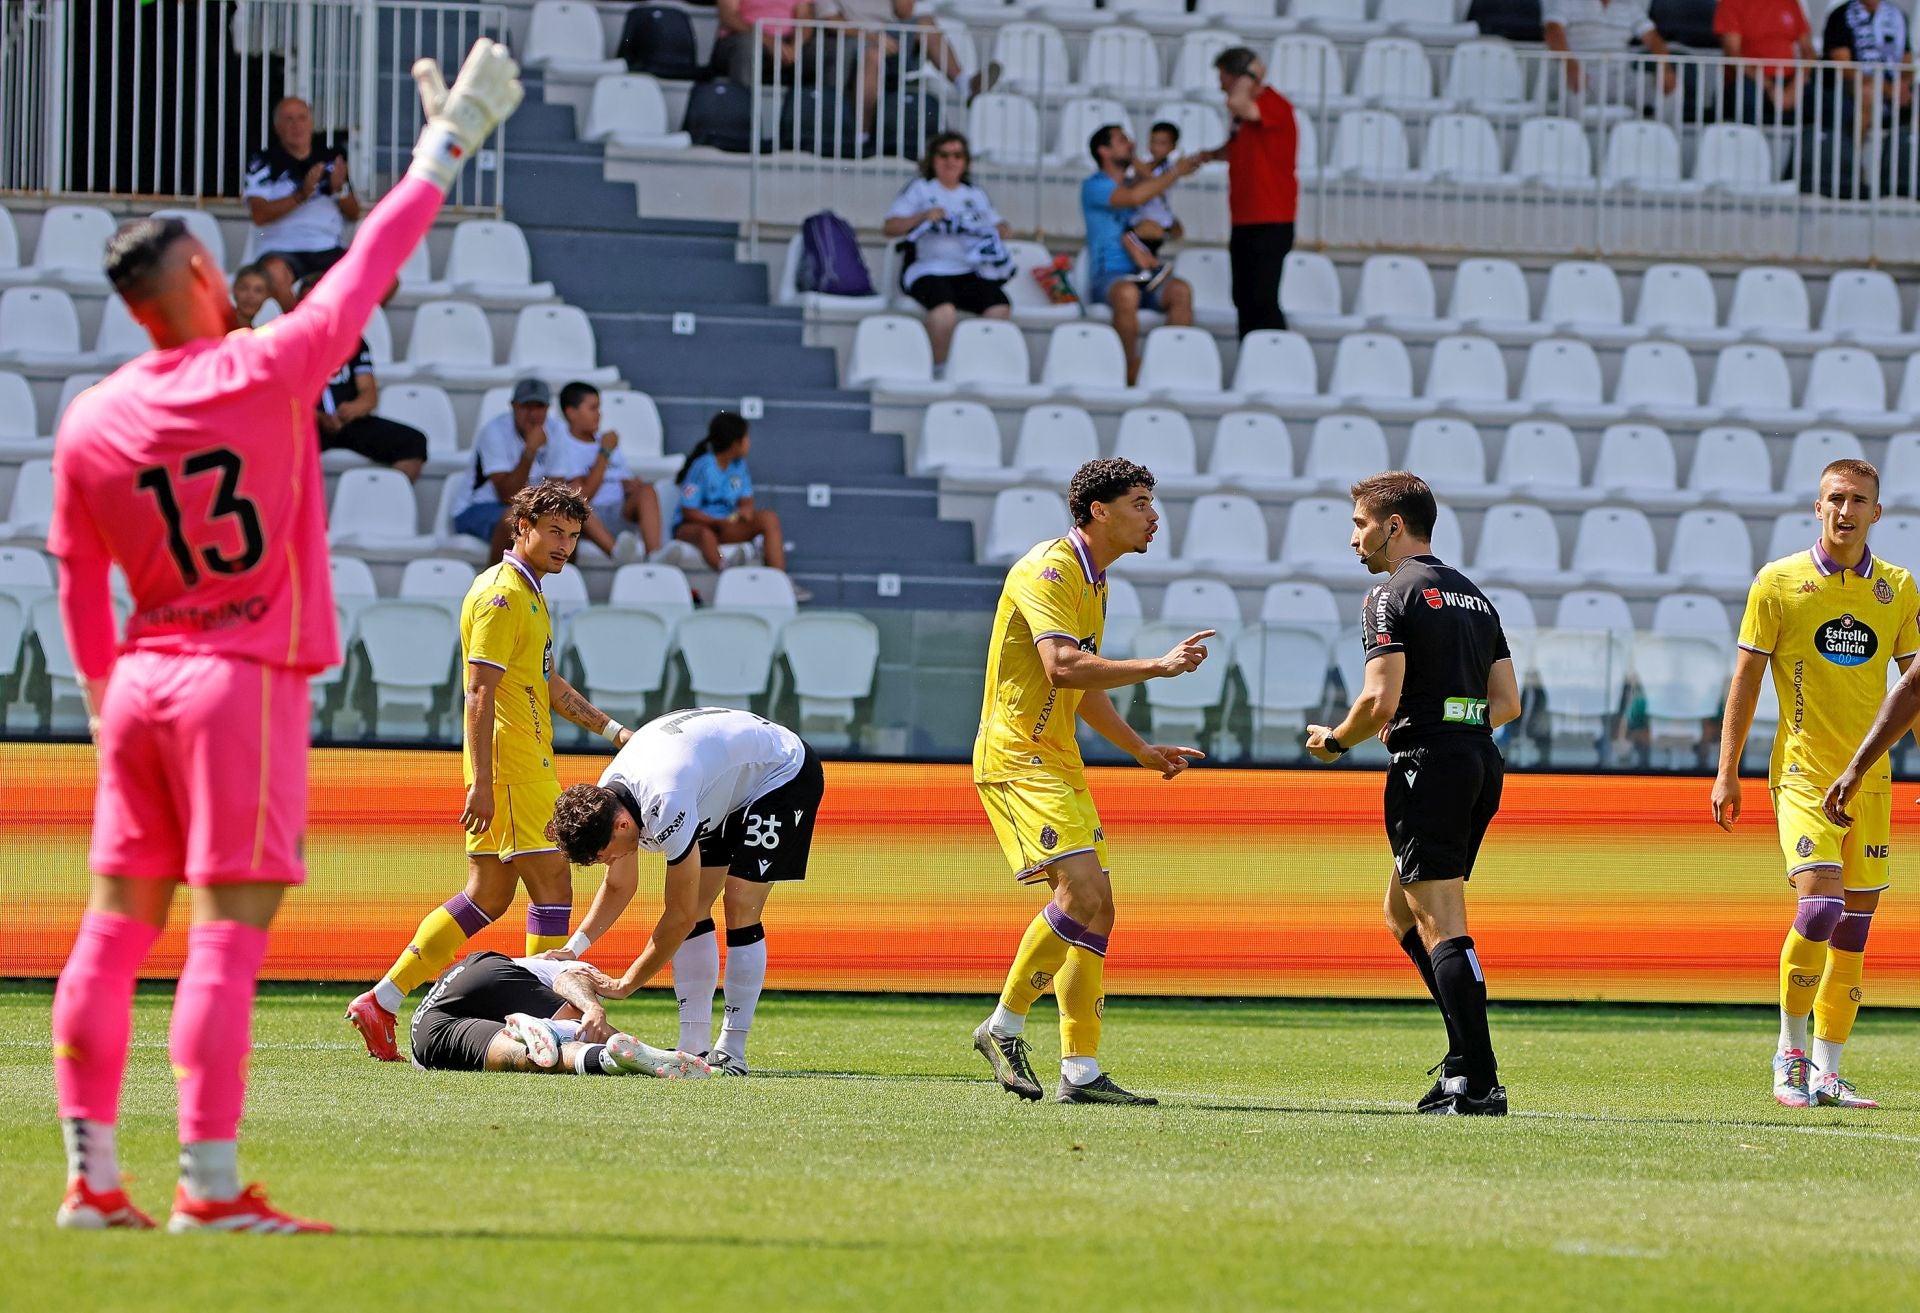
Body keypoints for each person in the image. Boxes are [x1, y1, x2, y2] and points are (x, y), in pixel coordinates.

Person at [46, 39, 522, 1234]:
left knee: (112, 928)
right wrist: (446, 144)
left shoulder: (91, 418)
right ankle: (208, 1186)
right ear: (206, 275)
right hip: (239, 679)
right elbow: (371, 260)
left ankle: (91, 1179)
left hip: (141, 683)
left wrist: (100, 700)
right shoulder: (268, 365)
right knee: (224, 936)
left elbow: (78, 583)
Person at [345, 479, 638, 1063]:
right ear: (522, 528)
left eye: (572, 535)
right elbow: (479, 692)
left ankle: (383, 999)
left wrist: (615, 733)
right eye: (553, 532)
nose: (564, 545)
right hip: (511, 770)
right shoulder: (501, 595)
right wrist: (481, 782)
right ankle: (547, 1019)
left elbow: (546, 683)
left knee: (487, 895)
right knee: (553, 886)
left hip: (517, 766)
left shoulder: (528, 592)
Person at [969, 458, 1213, 1107]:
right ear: (1098, 510)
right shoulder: (1050, 569)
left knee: (1098, 906)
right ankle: (1003, 1026)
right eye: (1139, 503)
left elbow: (1084, 683)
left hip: (1058, 757)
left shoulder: (1094, 579)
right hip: (1018, 755)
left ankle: (1080, 1069)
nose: (1153, 516)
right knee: (1081, 893)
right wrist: (1158, 667)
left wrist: (1140, 750)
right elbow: (1062, 666)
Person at [1305, 472, 1520, 1117]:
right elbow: (1507, 703)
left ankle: (1477, 1080)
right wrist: (1451, 720)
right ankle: (1462, 1061)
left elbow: (1379, 699)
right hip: (1478, 761)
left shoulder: (1388, 594)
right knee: (1402, 913)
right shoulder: (1475, 596)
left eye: (1359, 524)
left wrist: (1334, 741)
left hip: (1428, 766)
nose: (1354, 539)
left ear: (1392, 526)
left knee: (1442, 921)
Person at [1713, 458, 1920, 1111]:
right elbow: (1746, 680)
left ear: (1876, 512)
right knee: (1820, 909)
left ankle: (1829, 1070)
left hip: (1874, 782)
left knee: (1854, 928)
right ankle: (1790, 1052)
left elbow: (1915, 688)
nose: (1844, 510)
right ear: (1817, 506)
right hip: (1803, 775)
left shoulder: (1897, 588)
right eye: (1835, 497)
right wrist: (1727, 770)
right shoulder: (1778, 582)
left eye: (1857, 499)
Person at [544, 707, 827, 1076]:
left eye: (604, 855)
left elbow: (678, 916)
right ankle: (693, 1047)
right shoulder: (609, 797)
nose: (607, 862)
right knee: (698, 906)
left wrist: (626, 983)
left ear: (622, 824)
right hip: (722, 783)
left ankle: (732, 1053)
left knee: (739, 902)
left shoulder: (666, 801)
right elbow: (619, 884)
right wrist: (574, 948)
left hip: (780, 773)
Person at [407, 951, 708, 1078]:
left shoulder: (534, 966)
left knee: (527, 1056)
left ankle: (603, 1059)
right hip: (482, 973)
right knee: (581, 1023)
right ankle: (551, 1029)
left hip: (427, 1035)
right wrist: (593, 1007)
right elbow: (569, 981)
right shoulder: (569, 968)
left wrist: (623, 1052)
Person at [882, 133, 1014, 366]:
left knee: (999, 307)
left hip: (968, 270)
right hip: (927, 270)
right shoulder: (920, 188)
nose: (950, 161)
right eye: (944, 155)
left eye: (957, 155)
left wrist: (995, 228)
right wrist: (922, 216)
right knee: (944, 312)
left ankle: (973, 366)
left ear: (966, 161)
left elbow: (1003, 227)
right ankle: (940, 369)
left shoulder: (974, 193)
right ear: (933, 159)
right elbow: (890, 227)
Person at [1082, 125, 1200, 383]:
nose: (1131, 144)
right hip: (1108, 277)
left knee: (1181, 291)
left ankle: (1165, 371)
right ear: (1104, 151)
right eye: (1122, 140)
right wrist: (1175, 171)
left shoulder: (1139, 185)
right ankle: (1127, 373)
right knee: (1127, 293)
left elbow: (1174, 228)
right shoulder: (1094, 185)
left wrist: (1163, 229)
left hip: (1145, 275)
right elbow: (1134, 198)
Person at [1203, 49, 1298, 340]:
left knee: (1263, 299)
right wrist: (1209, 155)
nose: (1220, 84)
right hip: (1245, 217)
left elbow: (1237, 102)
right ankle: (1250, 355)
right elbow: (1237, 147)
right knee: (1243, 297)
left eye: (1223, 76)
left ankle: (1275, 356)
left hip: (1270, 216)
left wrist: (1252, 72)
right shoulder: (1245, 114)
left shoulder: (1273, 103)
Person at [297, 274, 427, 483]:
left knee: (413, 443)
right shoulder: (289, 345)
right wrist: (318, 416)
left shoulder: (353, 342)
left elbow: (369, 394)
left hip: (348, 421)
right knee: (278, 445)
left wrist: (354, 409)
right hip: (306, 423)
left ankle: (387, 500)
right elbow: (283, 398)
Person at [244, 96, 362, 311]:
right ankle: (301, 326)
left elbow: (354, 214)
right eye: (289, 120)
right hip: (281, 249)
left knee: (385, 279)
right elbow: (259, 215)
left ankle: (337, 325)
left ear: (311, 123)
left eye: (302, 118)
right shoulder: (263, 162)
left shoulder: (330, 159)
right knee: (274, 275)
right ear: (277, 127)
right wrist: (301, 195)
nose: (296, 125)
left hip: (328, 247)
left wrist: (339, 190)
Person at [542, 381, 663, 559]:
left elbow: (622, 478)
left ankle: (655, 556)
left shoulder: (606, 440)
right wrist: (604, 453)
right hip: (589, 520)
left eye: (599, 408)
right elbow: (584, 495)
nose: (599, 414)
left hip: (619, 509)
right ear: (571, 412)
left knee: (647, 491)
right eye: (593, 408)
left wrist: (632, 484)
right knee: (575, 501)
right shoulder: (564, 446)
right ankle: (617, 553)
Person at [673, 411, 794, 581]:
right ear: (735, 443)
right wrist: (715, 522)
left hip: (724, 526)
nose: (749, 442)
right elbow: (689, 511)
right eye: (746, 437)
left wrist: (746, 510)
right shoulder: (702, 467)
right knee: (705, 535)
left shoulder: (739, 466)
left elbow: (746, 499)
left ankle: (779, 580)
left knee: (769, 518)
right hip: (695, 527)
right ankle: (727, 573)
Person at [450, 377, 561, 560]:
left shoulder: (557, 431)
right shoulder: (494, 432)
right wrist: (530, 451)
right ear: (513, 406)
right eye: (526, 407)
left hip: (527, 507)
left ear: (548, 408)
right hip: (476, 507)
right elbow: (508, 495)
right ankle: (495, 577)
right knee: (517, 520)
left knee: (564, 525)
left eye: (539, 407)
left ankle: (557, 577)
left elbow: (558, 485)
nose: (533, 414)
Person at [1541, 0, 1679, 104]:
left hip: (1620, 76)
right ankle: (1572, 133)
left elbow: (1654, 40)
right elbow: (1552, 31)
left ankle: (1665, 133)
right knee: (1573, 87)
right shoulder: (1567, 2)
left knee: (1671, 87)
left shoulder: (1629, 6)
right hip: (1582, 72)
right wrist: (1570, 65)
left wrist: (1665, 69)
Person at [1716, 0, 1816, 123]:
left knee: (1822, 100)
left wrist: (1795, 87)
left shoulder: (1790, 3)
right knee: (1746, 96)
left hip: (1789, 80)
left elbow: (1808, 51)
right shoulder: (1732, 3)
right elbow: (1732, 54)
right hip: (1750, 79)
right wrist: (1770, 87)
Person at [710, 0, 814, 86]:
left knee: (820, 50)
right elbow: (728, 16)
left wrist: (795, 46)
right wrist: (769, 41)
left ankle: (812, 102)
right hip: (742, 38)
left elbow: (804, 16)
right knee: (747, 45)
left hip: (787, 43)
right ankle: (742, 101)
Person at [230, 263, 273, 328]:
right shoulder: (217, 326)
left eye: (258, 290)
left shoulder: (258, 334)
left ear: (267, 295)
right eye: (244, 288)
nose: (250, 296)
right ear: (234, 289)